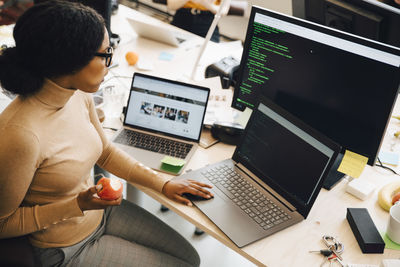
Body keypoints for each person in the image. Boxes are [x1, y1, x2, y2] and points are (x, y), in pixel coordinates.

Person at [0, 1, 214, 266]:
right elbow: (2, 223)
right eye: (105, 54)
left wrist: (163, 183)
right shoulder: (21, 135)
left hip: (98, 214)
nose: (109, 64)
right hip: (64, 247)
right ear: (71, 60)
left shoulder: (76, 94)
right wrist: (76, 205)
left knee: (191, 257)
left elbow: (106, 152)